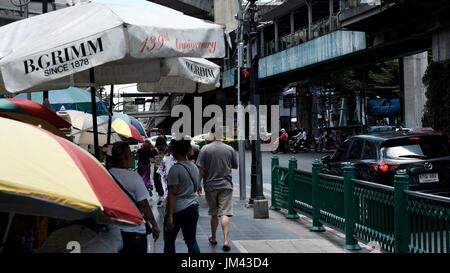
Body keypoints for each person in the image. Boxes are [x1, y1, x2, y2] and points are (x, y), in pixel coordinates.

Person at [108, 141, 160, 253]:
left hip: (113, 231)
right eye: (130, 155)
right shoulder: (134, 177)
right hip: (134, 230)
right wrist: (154, 225)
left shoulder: (105, 175)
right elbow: (144, 204)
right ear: (126, 157)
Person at [196, 133, 238, 252]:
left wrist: (198, 184)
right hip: (226, 185)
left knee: (214, 213)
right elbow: (235, 166)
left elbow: (201, 168)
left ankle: (213, 237)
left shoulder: (205, 149)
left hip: (210, 185)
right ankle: (226, 240)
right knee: (224, 213)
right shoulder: (230, 149)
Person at [164, 138, 200, 253]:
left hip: (178, 209)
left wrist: (169, 216)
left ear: (175, 151)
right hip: (193, 206)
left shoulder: (175, 169)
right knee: (191, 241)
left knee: (169, 240)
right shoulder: (194, 167)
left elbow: (173, 193)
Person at [153, 135, 168, 206]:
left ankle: (161, 196)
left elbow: (152, 159)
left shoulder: (154, 149)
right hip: (165, 168)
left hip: (157, 168)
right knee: (165, 182)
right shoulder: (167, 149)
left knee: (157, 182)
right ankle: (166, 196)